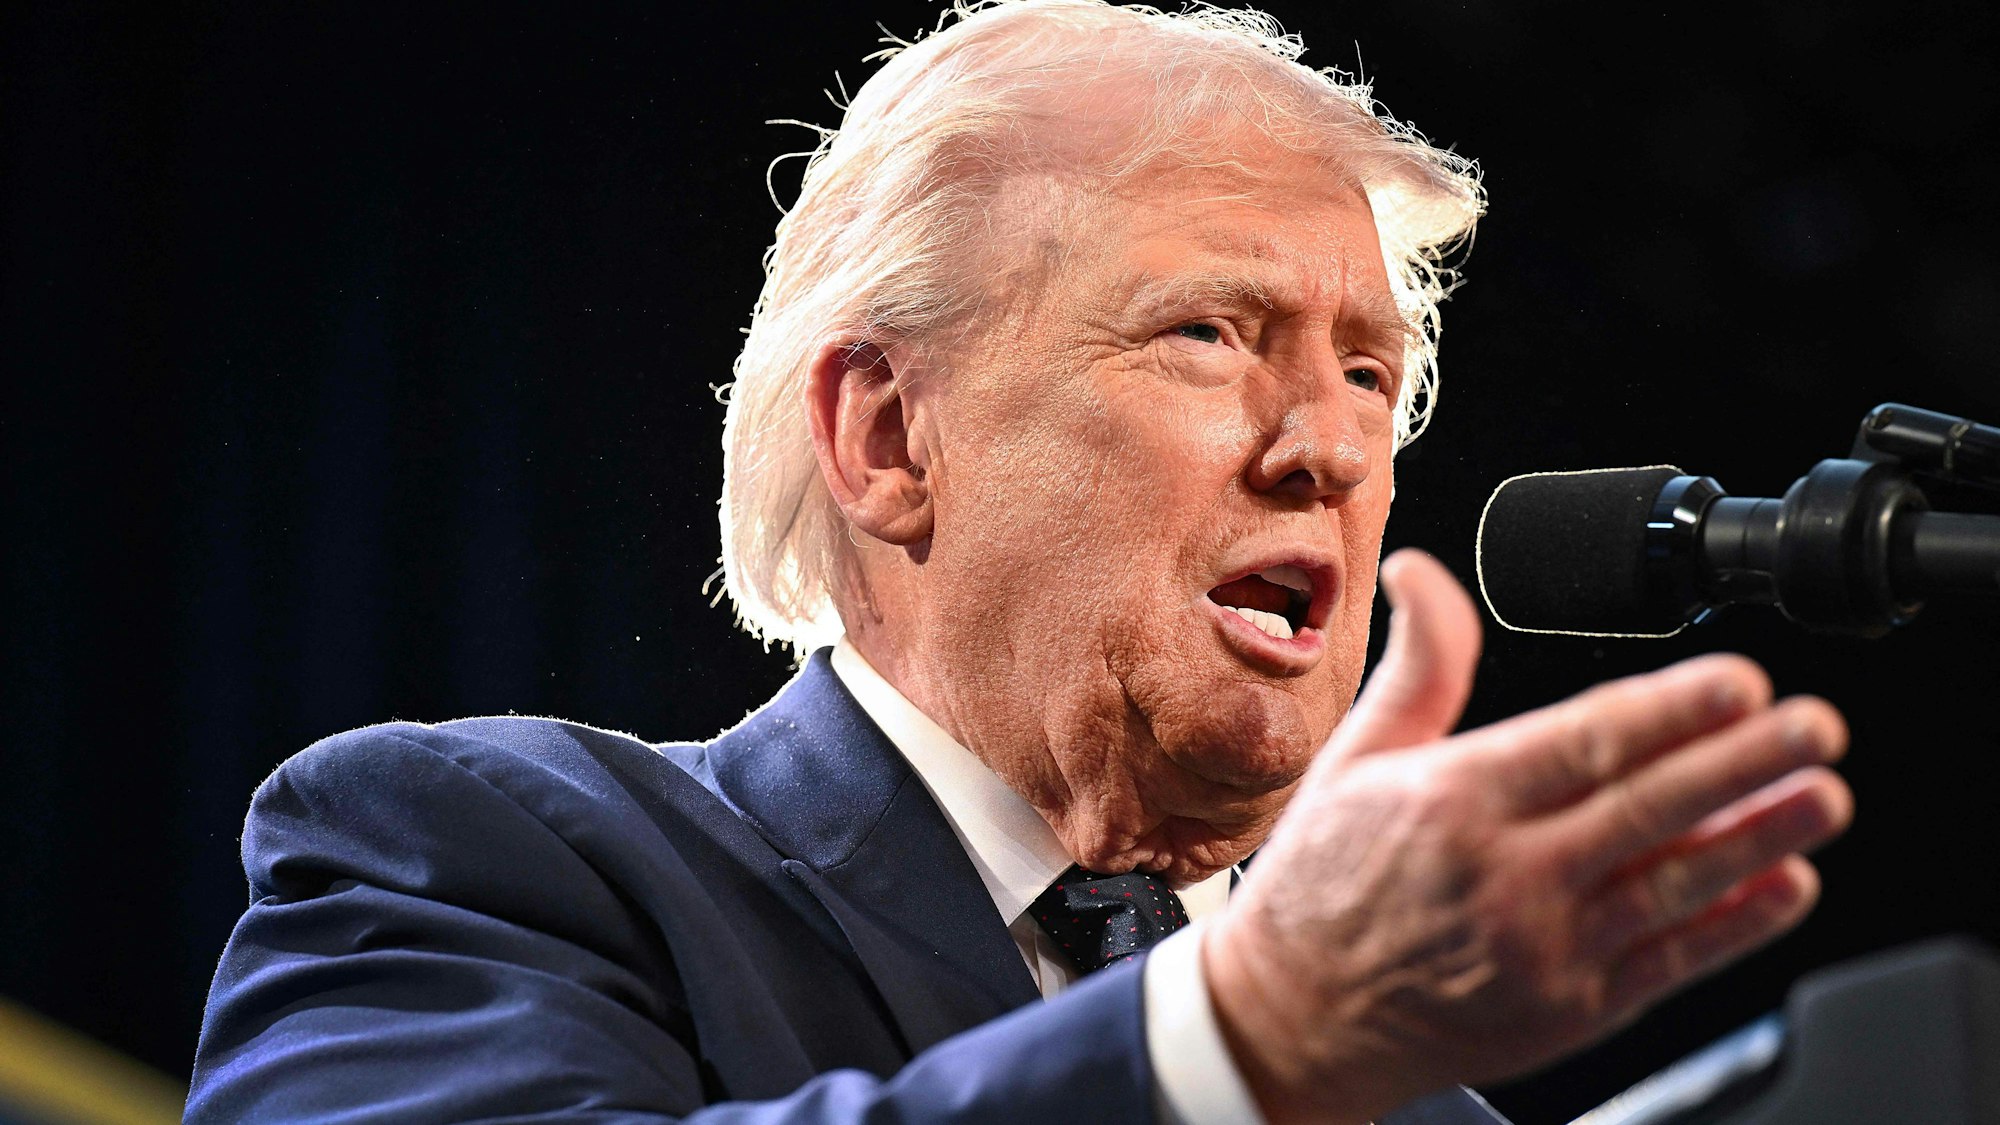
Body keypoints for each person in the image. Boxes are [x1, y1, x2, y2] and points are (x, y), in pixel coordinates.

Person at [188, 2, 1855, 1122]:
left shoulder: (1412, 1095)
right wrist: (1239, 1034)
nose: (1333, 449)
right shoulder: (469, 863)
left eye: (1366, 371)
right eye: (1210, 333)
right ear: (890, 441)